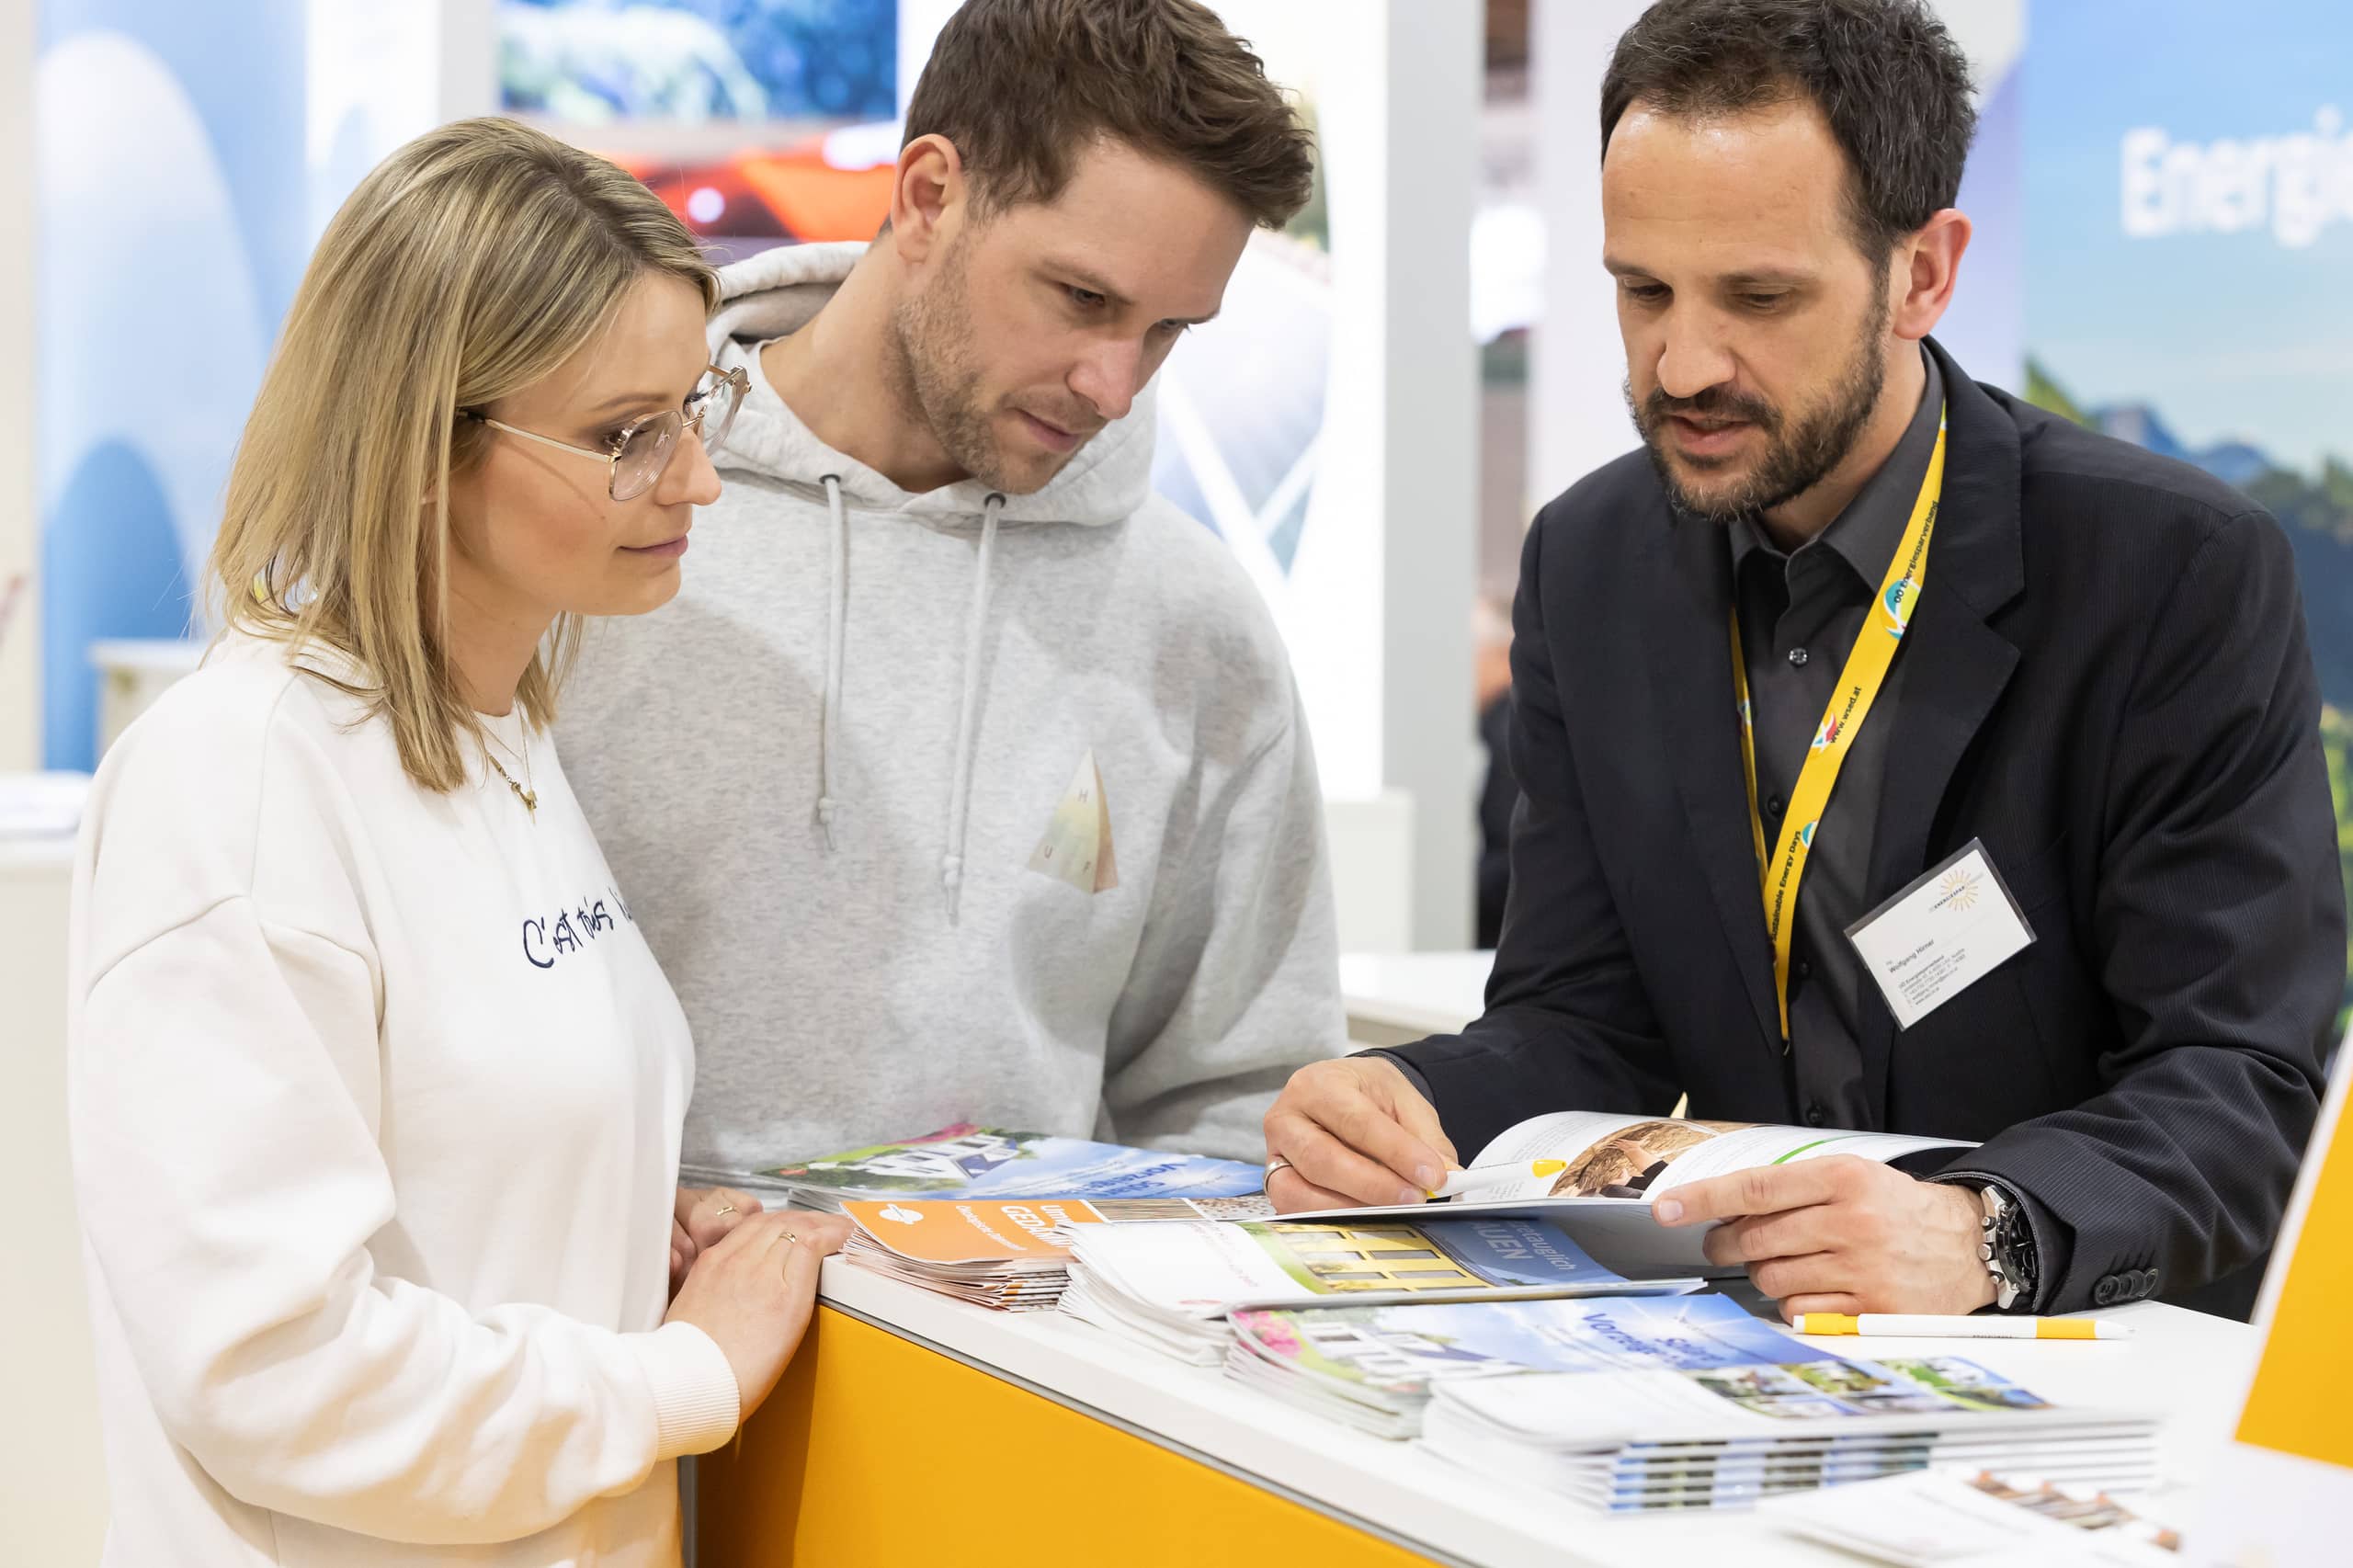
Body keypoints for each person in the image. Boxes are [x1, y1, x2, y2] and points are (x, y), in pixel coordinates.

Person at [1262, 0, 2342, 1323]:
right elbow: (1583, 1019)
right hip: (1742, 1345)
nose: (1683, 362)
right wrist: (1409, 1102)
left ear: (1924, 274)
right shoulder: (1591, 563)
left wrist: (1988, 1231)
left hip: (2083, 1358)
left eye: (1759, 297)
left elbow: (2240, 1075)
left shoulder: (2167, 567)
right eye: (1640, 289)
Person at [67, 118, 849, 1568]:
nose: (697, 483)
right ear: (424, 445)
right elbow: (275, 1369)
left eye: (698, 406)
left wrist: (617, 1210)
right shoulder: (239, 780)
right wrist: (683, 1371)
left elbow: (447, 1132)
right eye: (628, 436)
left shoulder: (504, 745)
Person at [561, 0, 1346, 1173]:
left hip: (999, 1347)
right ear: (928, 194)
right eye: (1082, 298)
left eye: (1169, 329)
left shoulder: (1194, 620)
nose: (1115, 383)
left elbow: (1233, 1101)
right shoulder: (597, 509)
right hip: (595, 1338)